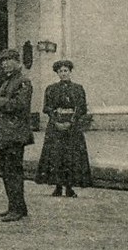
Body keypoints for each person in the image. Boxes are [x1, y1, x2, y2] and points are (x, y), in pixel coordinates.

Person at [0, 48, 34, 222]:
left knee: (13, 170)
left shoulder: (23, 82)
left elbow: (19, 105)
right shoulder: (7, 82)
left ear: (16, 61)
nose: (4, 64)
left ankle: (17, 208)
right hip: (5, 133)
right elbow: (2, 104)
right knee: (6, 170)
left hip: (15, 134)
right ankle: (15, 206)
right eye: (2, 61)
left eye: (8, 60)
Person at [37, 60, 93, 197]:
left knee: (71, 156)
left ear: (70, 72)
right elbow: (47, 107)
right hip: (55, 125)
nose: (63, 73)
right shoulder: (51, 89)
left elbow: (82, 108)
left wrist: (71, 122)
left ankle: (69, 187)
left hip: (72, 126)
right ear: (57, 73)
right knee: (56, 156)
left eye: (65, 71)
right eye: (60, 71)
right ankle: (57, 187)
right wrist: (56, 121)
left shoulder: (78, 88)